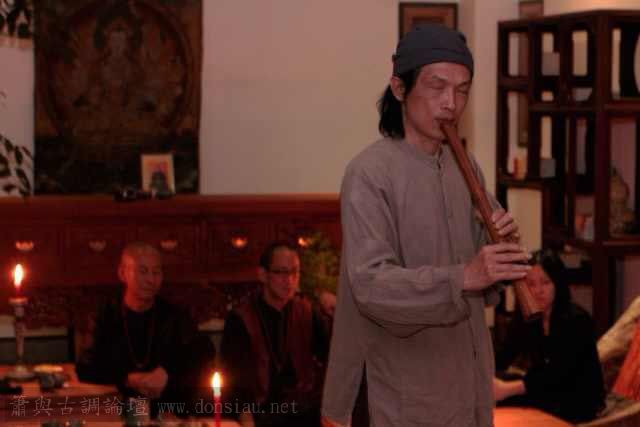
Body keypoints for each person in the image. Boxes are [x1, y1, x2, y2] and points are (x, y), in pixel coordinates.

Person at [321, 24, 532, 427]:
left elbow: (483, 283)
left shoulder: (465, 166)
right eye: (437, 87)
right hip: (410, 397)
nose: (451, 103)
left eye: (462, 90)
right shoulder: (370, 174)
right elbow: (370, 286)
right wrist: (463, 277)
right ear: (399, 88)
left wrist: (502, 252)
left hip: (472, 387)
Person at [76, 241, 215, 418]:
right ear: (122, 273)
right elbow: (86, 366)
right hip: (116, 409)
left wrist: (166, 372)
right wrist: (128, 378)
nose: (151, 280)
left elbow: (204, 350)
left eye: (156, 272)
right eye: (143, 272)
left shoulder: (173, 314)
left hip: (168, 409)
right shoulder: (105, 315)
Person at [219, 241, 331, 427]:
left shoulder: (306, 312)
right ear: (263, 275)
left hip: (303, 414)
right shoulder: (241, 318)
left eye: (295, 272)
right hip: (260, 413)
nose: (289, 280)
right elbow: (234, 380)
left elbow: (333, 355)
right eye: (281, 272)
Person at [493, 249, 605, 423]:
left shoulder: (576, 320)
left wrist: (508, 389)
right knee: (501, 384)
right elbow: (506, 353)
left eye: (545, 283)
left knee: (509, 392)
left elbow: (558, 374)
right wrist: (485, 374)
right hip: (547, 390)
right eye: (531, 284)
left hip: (576, 396)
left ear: (557, 284)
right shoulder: (529, 316)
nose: (538, 291)